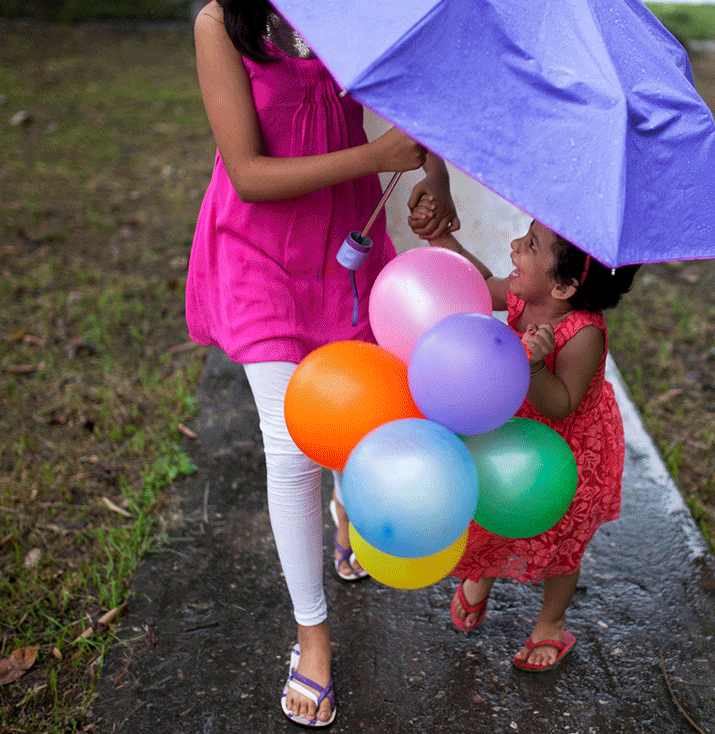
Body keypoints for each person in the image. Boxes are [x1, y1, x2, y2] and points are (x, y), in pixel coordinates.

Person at [187, 1, 458, 726]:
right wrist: (375, 157)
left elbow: (419, 97)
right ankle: (312, 638)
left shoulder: (356, 10)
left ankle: (350, 510)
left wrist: (436, 180)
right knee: (293, 444)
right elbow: (247, 174)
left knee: (365, 414)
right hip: (258, 252)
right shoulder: (221, 24)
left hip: (350, 242)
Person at [418, 204, 639, 672]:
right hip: (508, 432)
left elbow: (561, 403)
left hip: (565, 450)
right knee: (490, 511)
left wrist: (536, 365)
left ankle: (551, 623)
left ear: (564, 286)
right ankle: (482, 577)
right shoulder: (523, 296)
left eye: (531, 245)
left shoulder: (583, 334)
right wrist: (444, 242)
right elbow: (475, 287)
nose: (516, 246)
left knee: (561, 543)